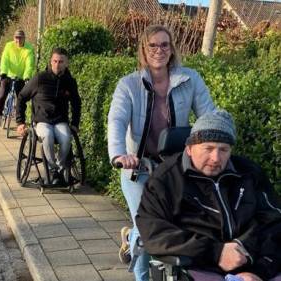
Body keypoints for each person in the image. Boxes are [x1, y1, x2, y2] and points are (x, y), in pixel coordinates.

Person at [107, 24, 215, 281]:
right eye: (152, 45)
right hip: (138, 168)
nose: (159, 50)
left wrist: (216, 142)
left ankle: (130, 236)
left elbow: (207, 116)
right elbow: (117, 120)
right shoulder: (129, 85)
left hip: (176, 167)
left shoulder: (190, 79)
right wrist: (120, 155)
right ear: (144, 50)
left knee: (188, 221)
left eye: (164, 45)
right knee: (147, 230)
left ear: (172, 49)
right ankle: (141, 275)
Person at [136, 110, 281, 281]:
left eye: (224, 149)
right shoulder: (164, 179)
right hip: (200, 264)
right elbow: (154, 233)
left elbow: (274, 221)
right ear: (189, 148)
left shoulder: (249, 173)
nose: (216, 158)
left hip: (256, 261)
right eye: (209, 148)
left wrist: (257, 270)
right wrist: (216, 252)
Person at [16, 47, 81, 185]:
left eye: (61, 61)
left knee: (66, 138)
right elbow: (22, 97)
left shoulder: (69, 82)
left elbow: (76, 103)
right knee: (48, 136)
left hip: (60, 121)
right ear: (50, 62)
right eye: (55, 61)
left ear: (66, 63)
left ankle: (60, 169)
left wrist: (75, 124)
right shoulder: (40, 78)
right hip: (42, 121)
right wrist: (20, 122)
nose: (57, 64)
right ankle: (52, 171)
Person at [0, 29, 35, 127]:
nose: (18, 40)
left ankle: (20, 122)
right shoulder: (9, 45)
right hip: (8, 75)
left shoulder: (29, 48)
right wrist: (3, 72)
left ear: (24, 38)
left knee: (21, 100)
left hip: (21, 77)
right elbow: (4, 59)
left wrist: (26, 77)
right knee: (1, 96)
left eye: (20, 38)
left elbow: (29, 64)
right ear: (14, 38)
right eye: (16, 38)